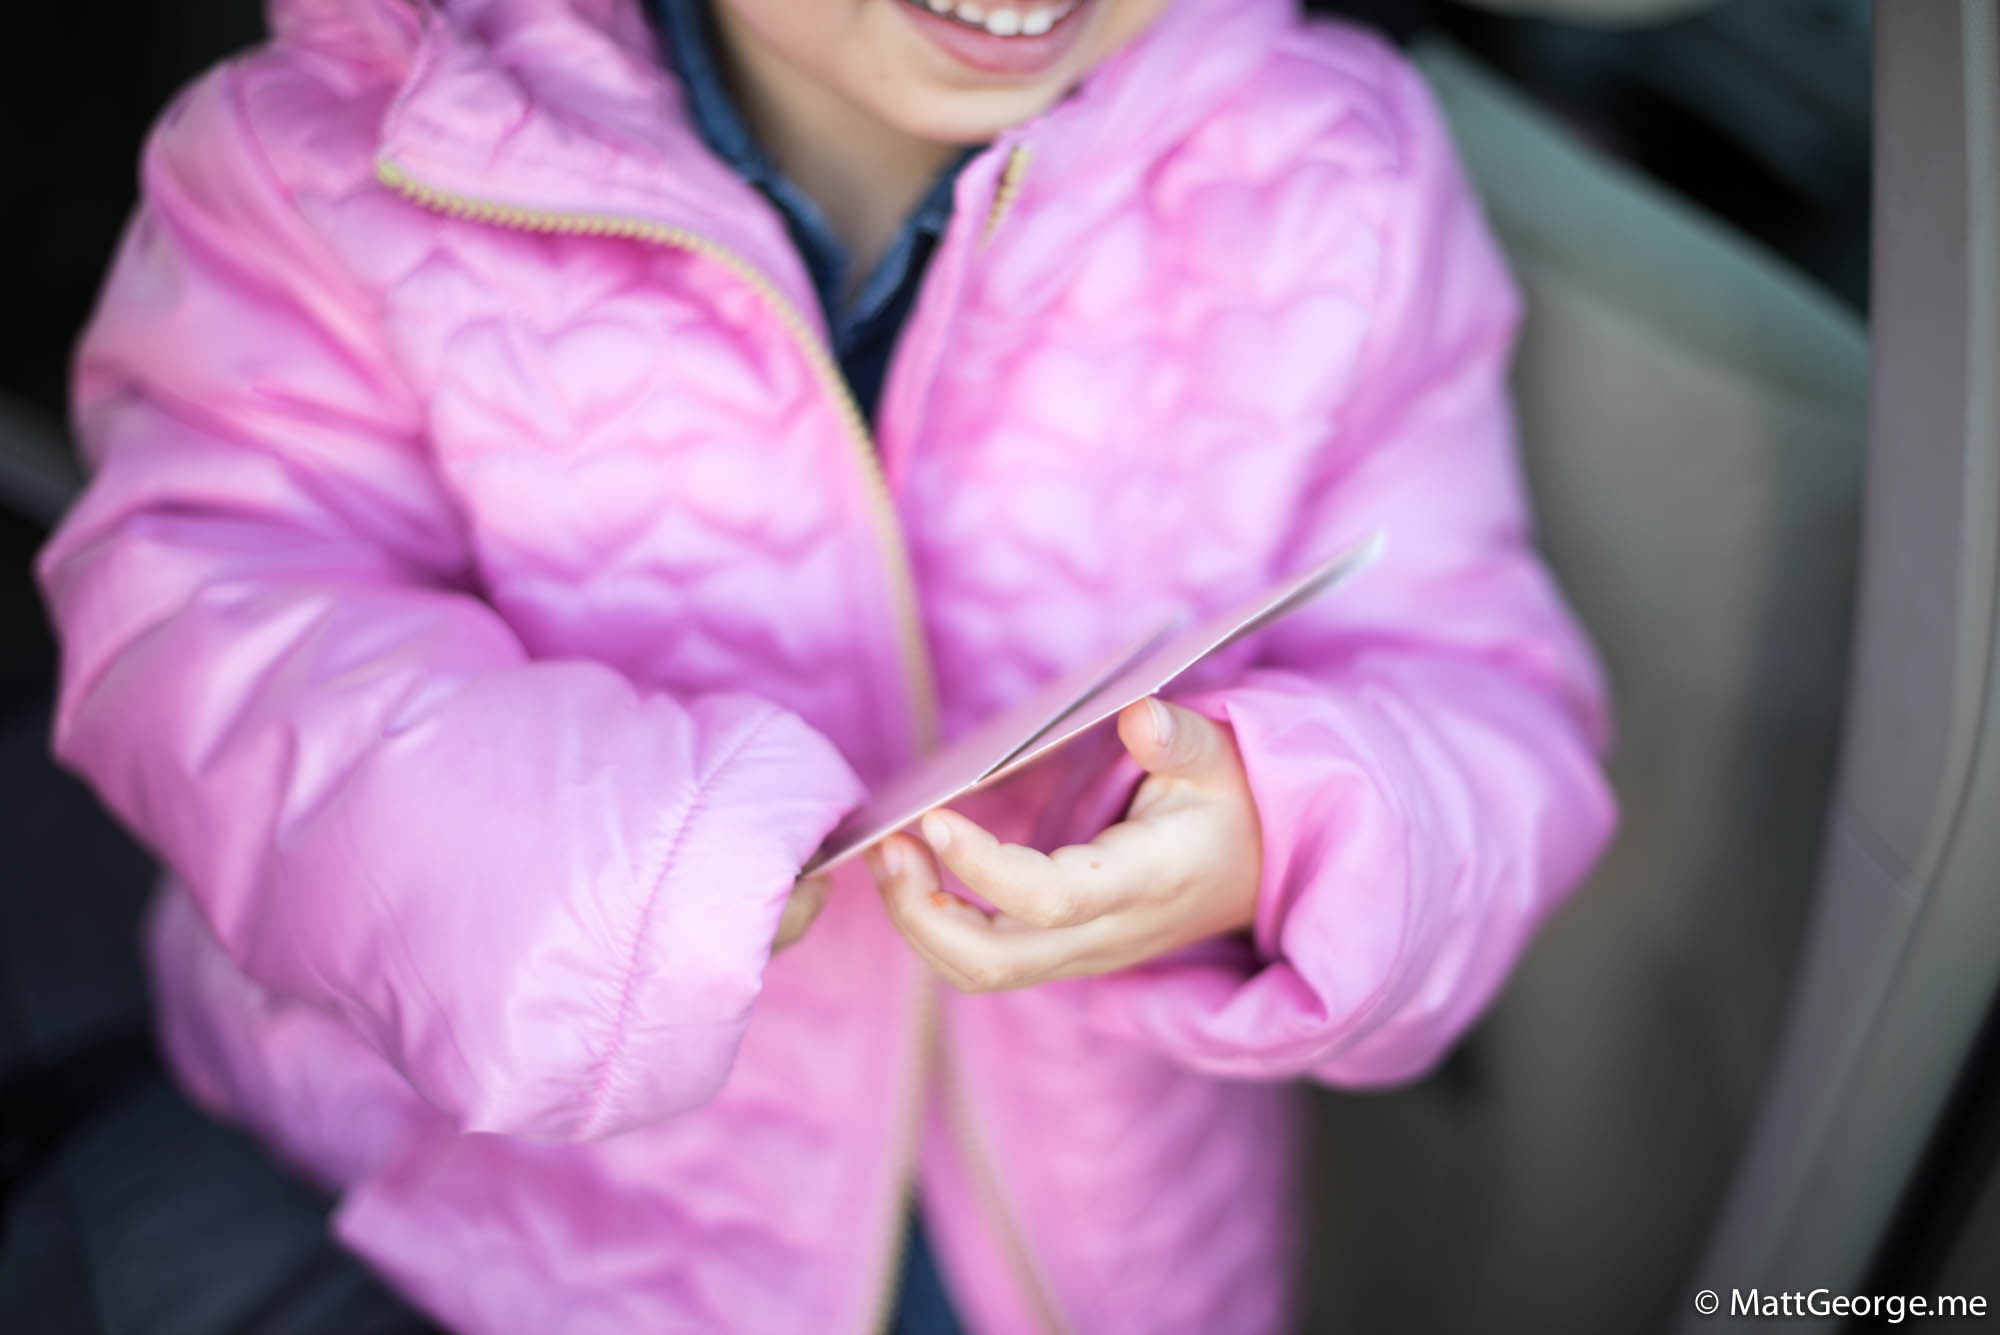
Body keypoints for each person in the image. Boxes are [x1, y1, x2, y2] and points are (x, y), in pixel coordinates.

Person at [33, 0, 1619, 1328]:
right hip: (518, 1241)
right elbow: (200, 622)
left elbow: (1484, 699)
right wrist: (602, 877)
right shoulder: (352, 152)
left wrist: (1290, 839)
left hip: (1094, 1258)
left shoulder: (1336, 175)